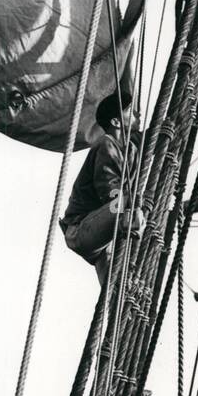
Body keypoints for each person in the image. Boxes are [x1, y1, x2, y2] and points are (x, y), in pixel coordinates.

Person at [59, 88, 144, 285]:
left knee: (117, 295)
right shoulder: (107, 145)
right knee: (129, 203)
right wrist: (131, 201)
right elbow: (110, 192)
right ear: (116, 122)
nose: (137, 114)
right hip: (81, 230)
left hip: (103, 241)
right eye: (130, 111)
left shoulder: (130, 149)